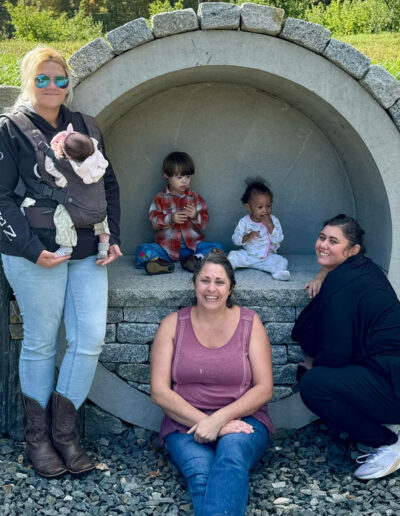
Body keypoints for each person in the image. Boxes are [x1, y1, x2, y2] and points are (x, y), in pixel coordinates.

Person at [0, 46, 122, 478]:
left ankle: (65, 435)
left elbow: (108, 184)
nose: (52, 86)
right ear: (28, 81)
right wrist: (31, 249)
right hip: (37, 253)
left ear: (69, 83)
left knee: (89, 339)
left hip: (87, 250)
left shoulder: (86, 126)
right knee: (40, 342)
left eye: (59, 79)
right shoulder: (10, 129)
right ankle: (38, 439)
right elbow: (1, 196)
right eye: (42, 78)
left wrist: (113, 236)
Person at [151, 251, 274, 515]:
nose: (211, 289)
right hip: (184, 422)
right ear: (195, 283)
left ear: (230, 288)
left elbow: (264, 388)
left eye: (219, 282)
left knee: (232, 455)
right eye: (205, 280)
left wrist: (219, 421)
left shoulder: (250, 323)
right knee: (201, 474)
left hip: (244, 419)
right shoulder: (172, 325)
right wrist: (207, 423)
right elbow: (159, 392)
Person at [292, 214, 400, 480]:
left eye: (333, 241)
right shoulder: (362, 270)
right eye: (322, 237)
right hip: (389, 375)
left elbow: (337, 351)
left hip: (393, 383)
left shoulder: (344, 282)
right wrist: (324, 272)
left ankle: (387, 444)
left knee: (314, 384)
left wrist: (314, 364)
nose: (323, 245)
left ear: (353, 250)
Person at [21, 123, 111, 259]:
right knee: (103, 223)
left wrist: (55, 149)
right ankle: (104, 247)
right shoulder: (98, 161)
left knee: (61, 216)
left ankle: (66, 246)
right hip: (99, 211)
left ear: (68, 156)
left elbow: (54, 174)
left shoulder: (67, 166)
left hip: (78, 212)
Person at [135, 151, 223, 275]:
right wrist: (170, 218)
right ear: (166, 175)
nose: (184, 181)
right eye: (179, 177)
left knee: (218, 248)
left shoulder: (195, 198)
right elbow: (154, 221)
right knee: (142, 250)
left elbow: (204, 223)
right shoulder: (160, 198)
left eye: (188, 177)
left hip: (193, 248)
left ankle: (194, 260)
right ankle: (159, 263)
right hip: (165, 249)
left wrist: (195, 216)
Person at [227, 178, 290, 281]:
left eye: (268, 206)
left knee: (282, 261)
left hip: (267, 257)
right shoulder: (244, 221)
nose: (265, 210)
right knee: (233, 255)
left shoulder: (273, 221)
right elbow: (236, 239)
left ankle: (279, 273)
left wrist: (270, 226)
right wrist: (247, 236)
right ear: (248, 207)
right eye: (260, 207)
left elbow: (278, 239)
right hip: (248, 255)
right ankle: (227, 268)